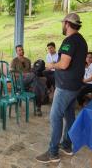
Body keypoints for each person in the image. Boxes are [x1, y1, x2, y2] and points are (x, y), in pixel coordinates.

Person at [36, 13, 88, 163]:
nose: (62, 26)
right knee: (69, 114)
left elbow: (64, 64)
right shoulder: (81, 40)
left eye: (63, 23)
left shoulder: (69, 40)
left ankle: (53, 153)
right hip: (76, 85)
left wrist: (51, 65)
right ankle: (67, 145)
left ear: (66, 23)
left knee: (55, 116)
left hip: (65, 86)